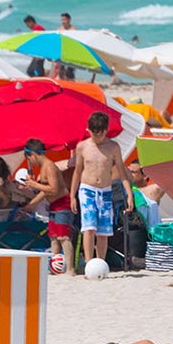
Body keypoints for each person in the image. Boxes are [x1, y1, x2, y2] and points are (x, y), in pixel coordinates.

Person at [71, 112, 134, 264]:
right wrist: (72, 195)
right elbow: (77, 171)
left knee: (103, 231)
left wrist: (129, 194)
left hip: (105, 191)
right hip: (87, 189)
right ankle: (89, 263)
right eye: (94, 134)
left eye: (100, 134)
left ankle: (100, 263)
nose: (97, 138)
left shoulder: (113, 147)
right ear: (89, 130)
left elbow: (122, 171)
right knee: (89, 227)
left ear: (106, 131)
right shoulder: (83, 147)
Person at [22, 139, 74, 263]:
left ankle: (70, 268)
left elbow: (54, 189)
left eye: (29, 160)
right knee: (53, 237)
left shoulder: (49, 166)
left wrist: (35, 185)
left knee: (63, 237)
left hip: (62, 203)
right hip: (54, 205)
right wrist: (31, 204)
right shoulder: (44, 167)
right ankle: (56, 264)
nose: (31, 163)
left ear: (33, 155)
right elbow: (45, 191)